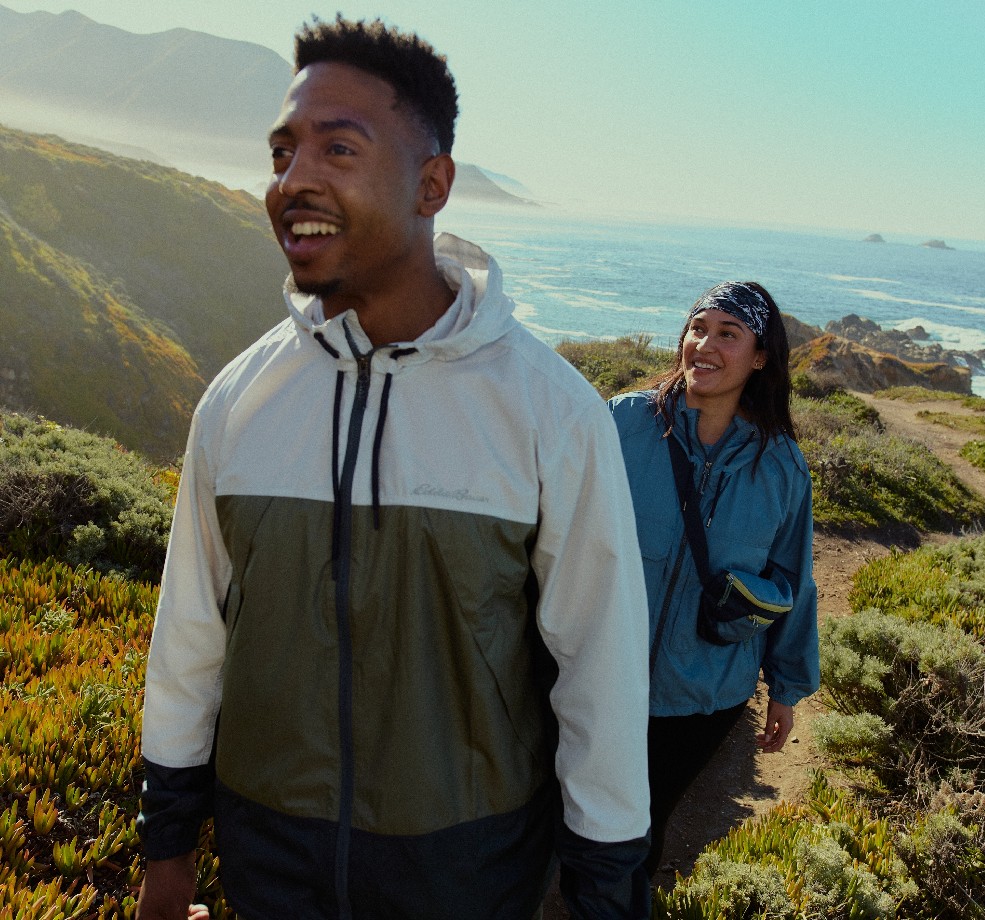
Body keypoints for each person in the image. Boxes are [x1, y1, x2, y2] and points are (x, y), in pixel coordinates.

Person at [135, 16, 651, 920]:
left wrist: (604, 889)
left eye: (339, 148)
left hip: (470, 872)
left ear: (432, 184)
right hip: (268, 864)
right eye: (283, 152)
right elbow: (189, 638)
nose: (293, 180)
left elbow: (600, 670)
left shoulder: (550, 411)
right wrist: (166, 848)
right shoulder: (238, 400)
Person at [608, 281, 819, 877]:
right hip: (600, 673)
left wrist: (786, 687)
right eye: (698, 328)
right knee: (561, 810)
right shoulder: (623, 422)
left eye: (729, 334)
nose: (705, 345)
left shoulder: (780, 466)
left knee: (642, 826)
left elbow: (793, 580)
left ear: (760, 357)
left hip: (703, 695)